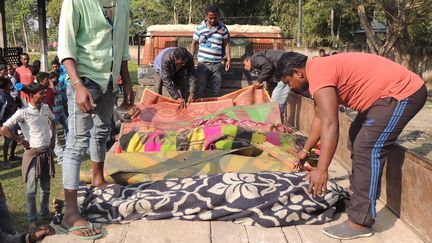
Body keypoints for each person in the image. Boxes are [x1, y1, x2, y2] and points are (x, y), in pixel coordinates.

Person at [276, 52, 426, 240]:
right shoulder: (317, 72)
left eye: (288, 82)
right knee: (356, 134)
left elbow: (331, 124)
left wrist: (322, 169)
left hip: (404, 93)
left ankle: (360, 221)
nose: (290, 87)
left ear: (297, 73)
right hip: (383, 97)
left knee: (367, 147)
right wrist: (304, 152)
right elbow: (319, 118)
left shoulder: (320, 75)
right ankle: (358, 194)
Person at [58, 0, 133, 239]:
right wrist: (77, 85)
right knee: (77, 144)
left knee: (101, 132)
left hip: (109, 79)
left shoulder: (123, 3)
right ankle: (71, 212)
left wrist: (127, 81)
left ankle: (98, 178)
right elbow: (66, 47)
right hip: (85, 79)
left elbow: (121, 45)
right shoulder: (75, 1)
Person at [1, 82, 56, 232]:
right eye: (41, 93)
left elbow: (54, 121)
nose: (44, 95)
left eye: (44, 93)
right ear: (31, 96)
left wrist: (53, 139)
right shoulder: (23, 112)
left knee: (46, 187)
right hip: (32, 155)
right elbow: (4, 128)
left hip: (46, 153)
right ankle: (32, 220)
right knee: (31, 190)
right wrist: (20, 140)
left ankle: (44, 213)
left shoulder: (45, 108)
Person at [191, 4, 231, 98]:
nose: (213, 20)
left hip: (217, 65)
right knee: (200, 89)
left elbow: (227, 44)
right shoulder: (200, 28)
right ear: (206, 16)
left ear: (218, 16)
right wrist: (191, 58)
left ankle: (214, 111)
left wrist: (229, 59)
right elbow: (193, 43)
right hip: (203, 64)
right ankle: (199, 111)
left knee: (216, 91)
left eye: (215, 18)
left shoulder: (223, 28)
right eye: (210, 18)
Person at [242, 50, 291, 120]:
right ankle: (278, 119)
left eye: (244, 64)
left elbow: (268, 66)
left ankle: (277, 121)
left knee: (276, 97)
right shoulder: (257, 61)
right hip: (285, 68)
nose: (245, 67)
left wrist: (259, 81)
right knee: (276, 97)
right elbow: (269, 71)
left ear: (248, 60)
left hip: (287, 67)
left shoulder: (254, 59)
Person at [0, 77, 19, 168]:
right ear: (5, 85)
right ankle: (5, 161)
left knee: (15, 137)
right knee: (7, 140)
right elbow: (6, 110)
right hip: (6, 121)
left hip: (12, 119)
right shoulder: (2, 96)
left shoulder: (8, 94)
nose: (11, 85)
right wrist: (15, 105)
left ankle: (12, 155)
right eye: (9, 84)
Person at [51, 72, 69, 164]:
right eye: (53, 78)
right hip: (54, 114)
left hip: (62, 112)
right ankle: (60, 157)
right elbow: (53, 92)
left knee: (69, 130)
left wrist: (66, 111)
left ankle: (68, 150)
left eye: (56, 77)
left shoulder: (59, 87)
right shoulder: (49, 90)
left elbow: (64, 101)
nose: (56, 79)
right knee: (55, 135)